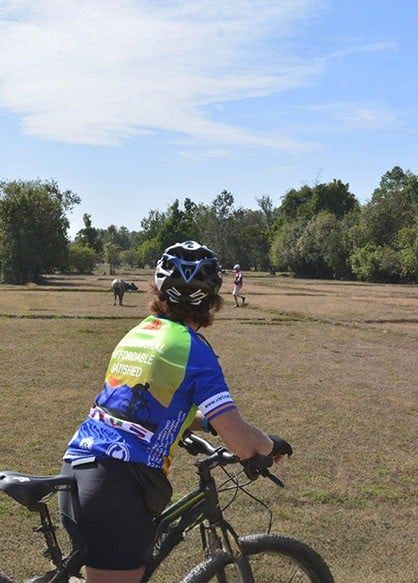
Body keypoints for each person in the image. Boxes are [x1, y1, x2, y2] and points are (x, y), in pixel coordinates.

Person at [60, 240, 286, 583]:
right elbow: (242, 442)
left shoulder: (140, 333)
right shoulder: (194, 350)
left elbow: (142, 409)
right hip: (119, 484)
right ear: (211, 301)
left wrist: (204, 424)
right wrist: (270, 446)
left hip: (80, 467)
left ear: (159, 290)